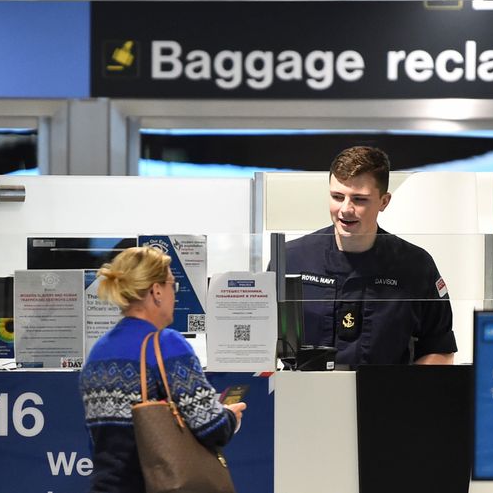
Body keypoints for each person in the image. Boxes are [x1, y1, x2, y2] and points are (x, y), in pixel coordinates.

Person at [79, 246, 246, 493]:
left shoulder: (98, 352)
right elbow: (211, 427)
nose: (174, 295)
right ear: (156, 290)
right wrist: (230, 417)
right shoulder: (167, 344)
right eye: (172, 286)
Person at [284, 146, 457, 366]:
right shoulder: (291, 259)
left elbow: (440, 350)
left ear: (384, 202)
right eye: (337, 197)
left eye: (359, 199)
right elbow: (261, 345)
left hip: (385, 397)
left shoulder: (416, 265)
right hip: (304, 397)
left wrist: (409, 395)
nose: (345, 209)